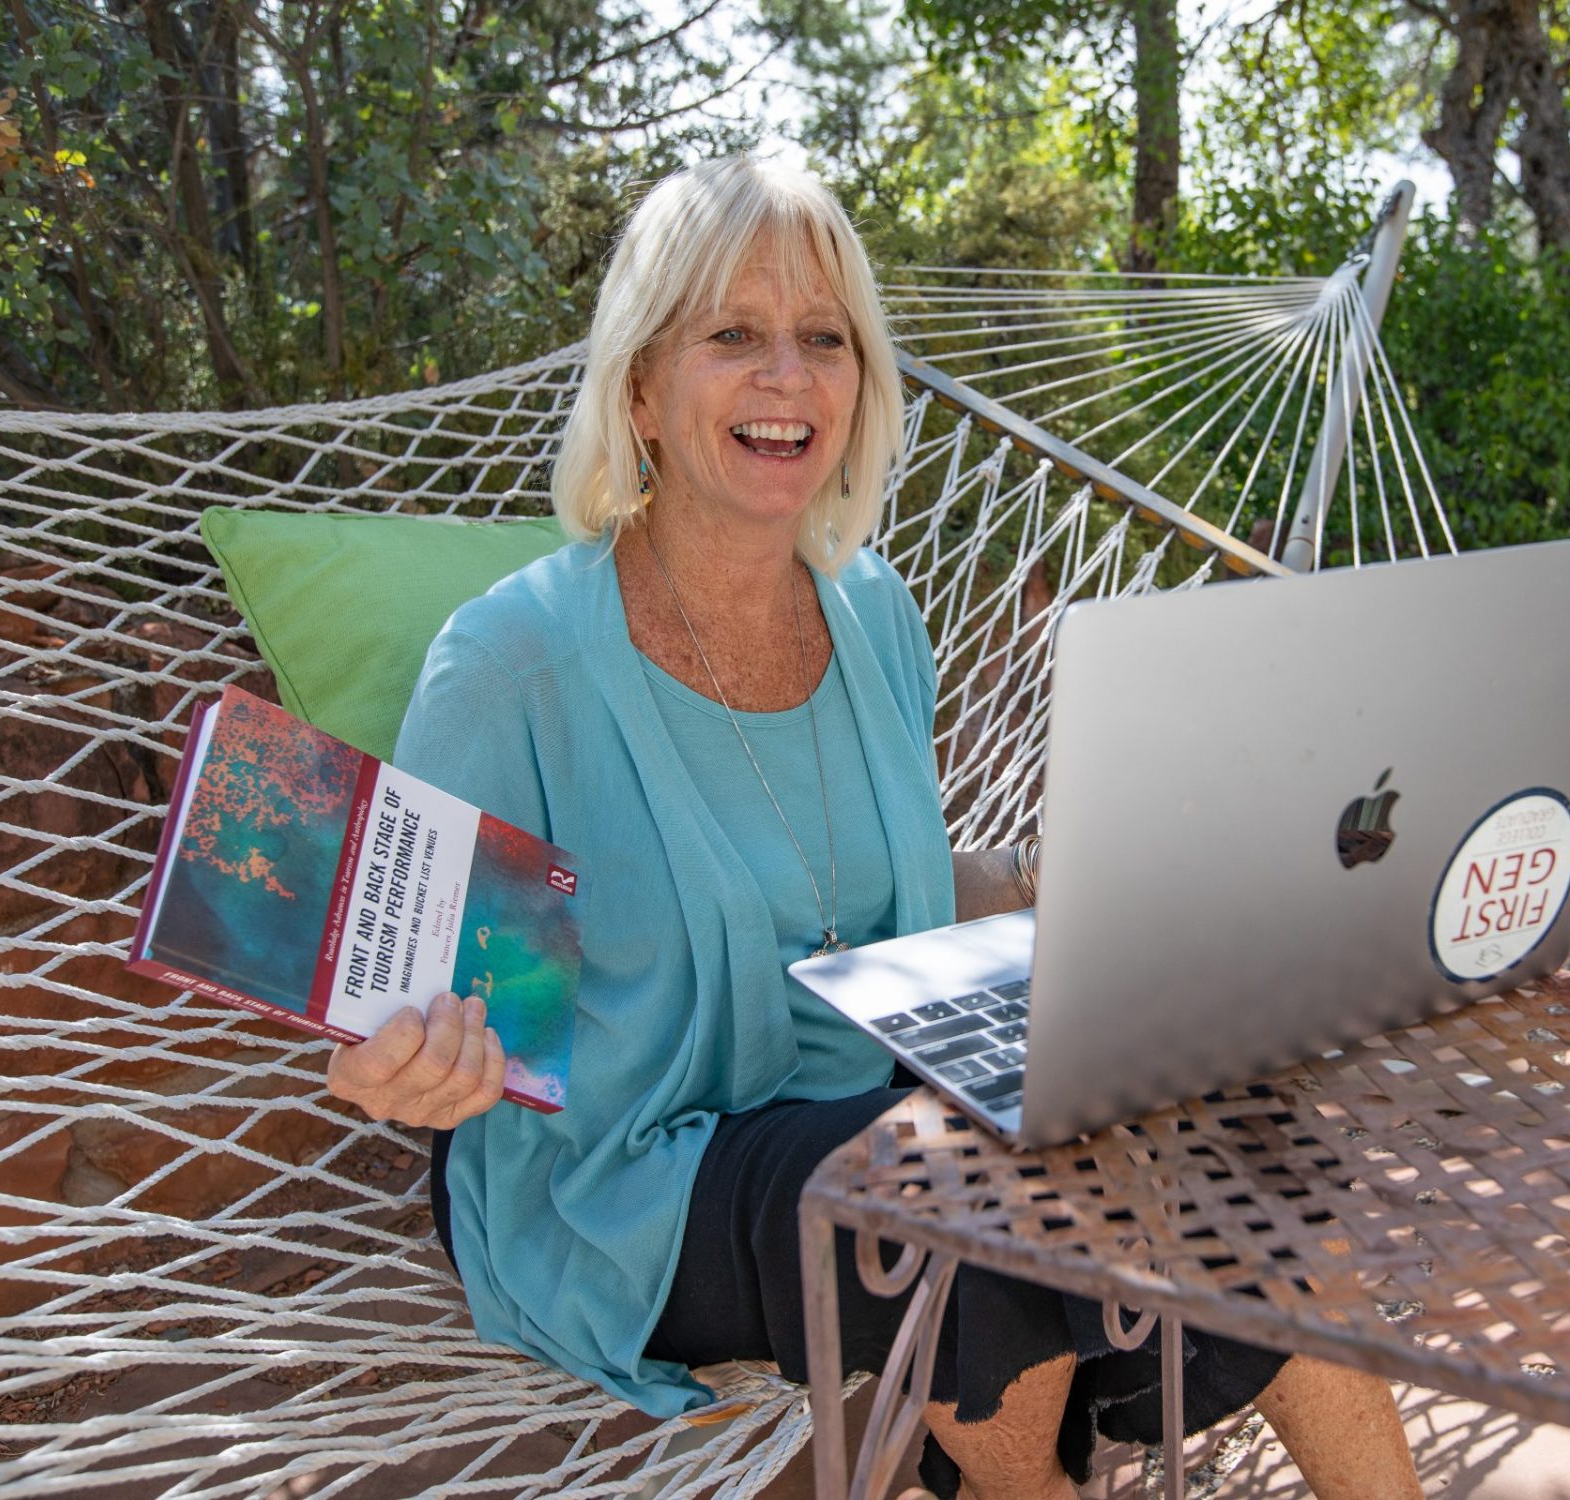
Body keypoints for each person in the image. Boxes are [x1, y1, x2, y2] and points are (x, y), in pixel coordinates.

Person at [325, 156, 1423, 1500]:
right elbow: (433, 1000)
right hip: (622, 1175)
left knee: (1207, 1113)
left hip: (875, 1092)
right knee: (962, 1199)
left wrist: (1041, 879)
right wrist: (403, 1064)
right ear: (641, 392)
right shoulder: (513, 666)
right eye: (732, 335)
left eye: (823, 338)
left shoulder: (876, 615)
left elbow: (842, 897)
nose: (787, 376)